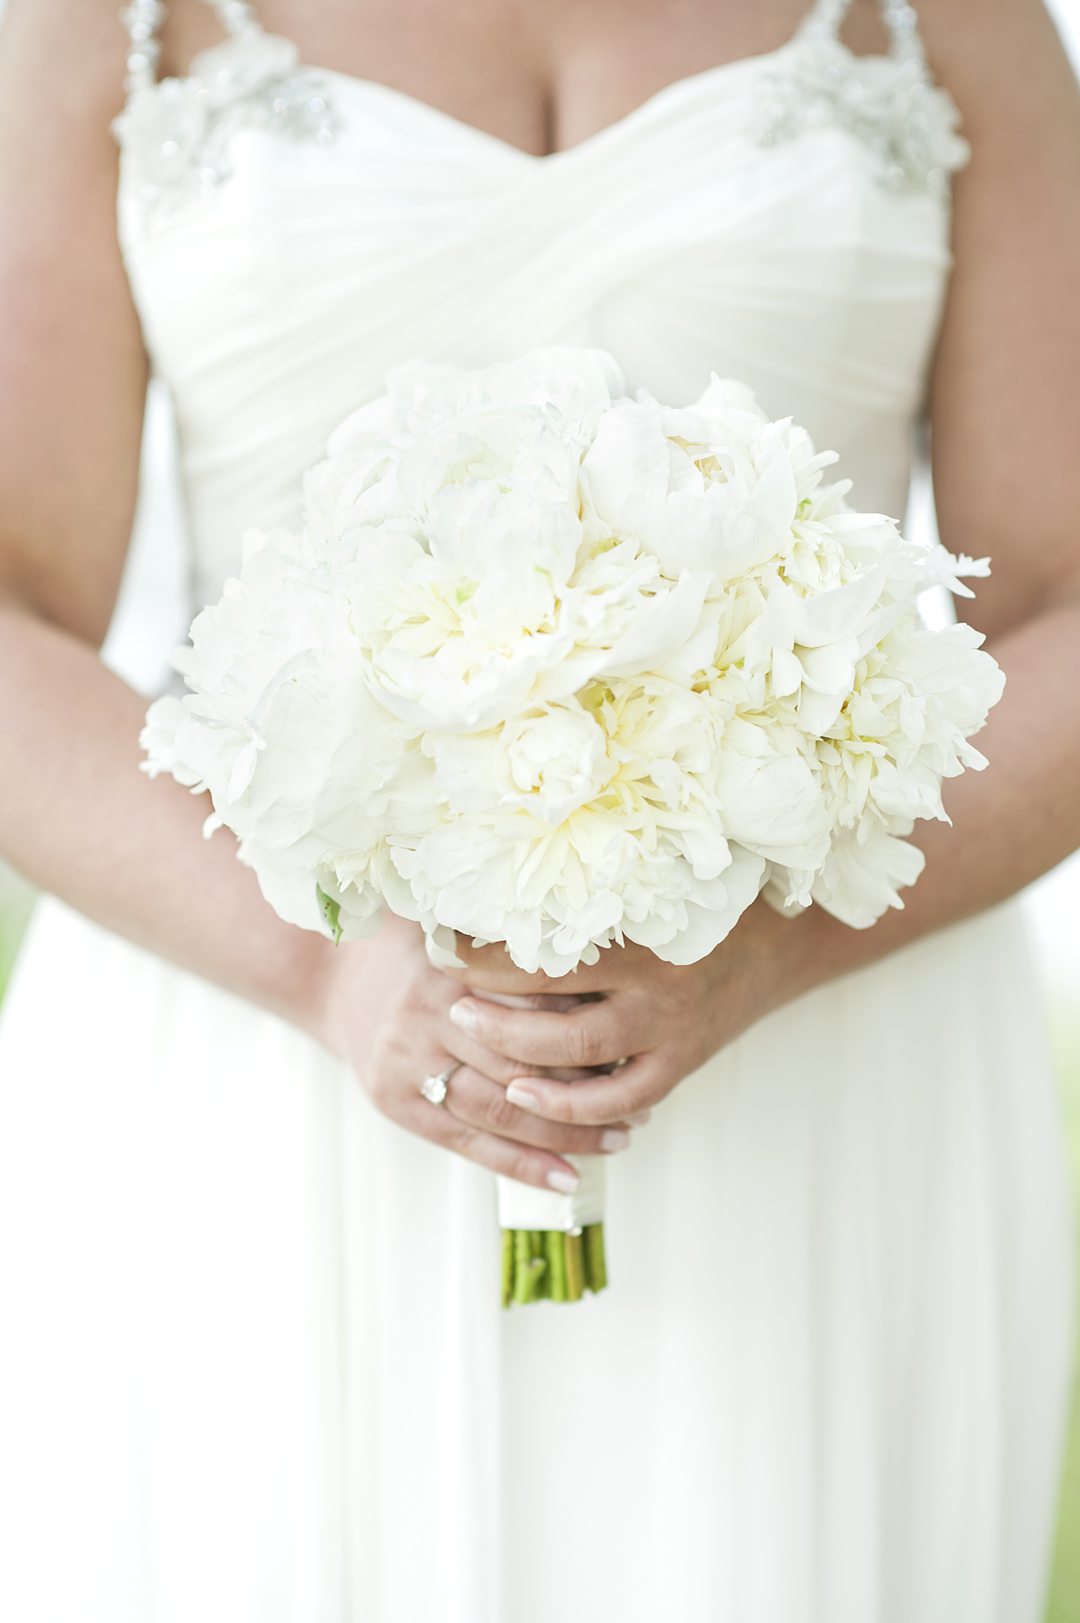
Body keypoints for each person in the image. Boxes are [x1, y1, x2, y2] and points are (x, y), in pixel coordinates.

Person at [0, 0, 1077, 1617]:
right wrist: (328, 971)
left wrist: (770, 946)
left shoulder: (953, 24)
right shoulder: (110, 23)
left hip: (824, 1042)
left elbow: (1063, 596)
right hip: (255, 1041)